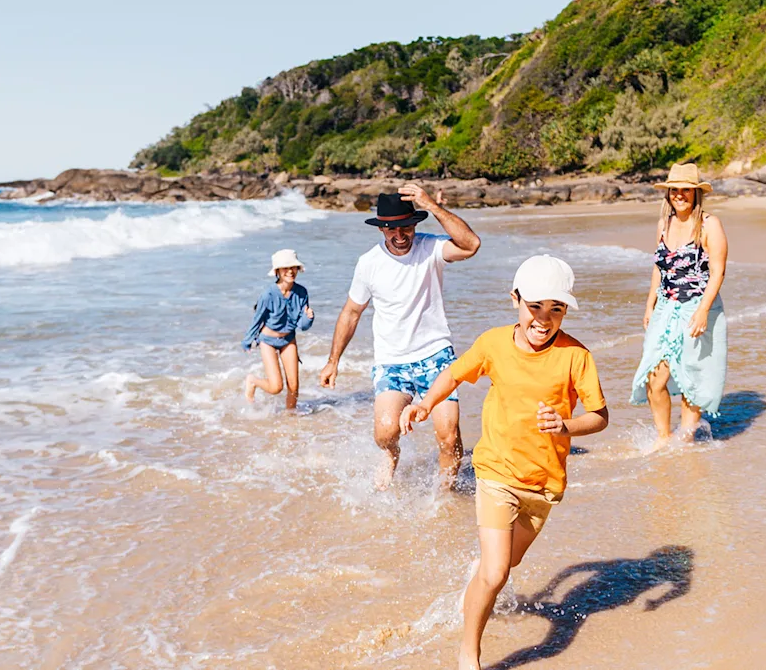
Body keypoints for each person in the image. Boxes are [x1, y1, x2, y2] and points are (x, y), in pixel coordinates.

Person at [400, 254, 608, 670]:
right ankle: (469, 653)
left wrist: (566, 426)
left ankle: (476, 580)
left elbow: (600, 416)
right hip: (495, 473)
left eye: (556, 310)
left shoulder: (576, 356)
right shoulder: (494, 343)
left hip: (544, 485)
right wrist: (426, 403)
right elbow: (455, 374)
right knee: (497, 575)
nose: (544, 319)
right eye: (535, 307)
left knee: (505, 563)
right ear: (515, 299)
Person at [319, 183, 481, 490]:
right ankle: (391, 455)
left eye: (406, 226)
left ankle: (444, 498)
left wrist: (432, 206)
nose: (399, 235)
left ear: (415, 224)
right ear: (381, 229)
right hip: (392, 361)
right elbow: (352, 312)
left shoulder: (430, 248)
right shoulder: (369, 263)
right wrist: (333, 361)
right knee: (385, 432)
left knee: (448, 436)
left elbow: (471, 244)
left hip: (436, 355)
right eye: (391, 229)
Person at [631, 162, 729, 449]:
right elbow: (659, 268)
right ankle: (664, 438)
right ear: (669, 193)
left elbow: (718, 272)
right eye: (675, 190)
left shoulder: (710, 225)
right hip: (665, 308)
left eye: (686, 190)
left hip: (699, 308)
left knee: (693, 375)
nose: (680, 195)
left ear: (696, 193)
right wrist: (649, 305)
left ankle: (685, 439)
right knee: (655, 378)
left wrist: (702, 311)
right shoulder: (664, 224)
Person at [242, 249, 315, 410]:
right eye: (285, 268)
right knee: (276, 387)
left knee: (294, 387)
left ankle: (290, 418)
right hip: (267, 341)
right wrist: (247, 341)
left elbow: (302, 326)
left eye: (293, 267)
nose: (290, 271)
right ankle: (252, 380)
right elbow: (257, 319)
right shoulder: (268, 294)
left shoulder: (301, 292)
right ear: (277, 271)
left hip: (288, 339)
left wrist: (309, 318)